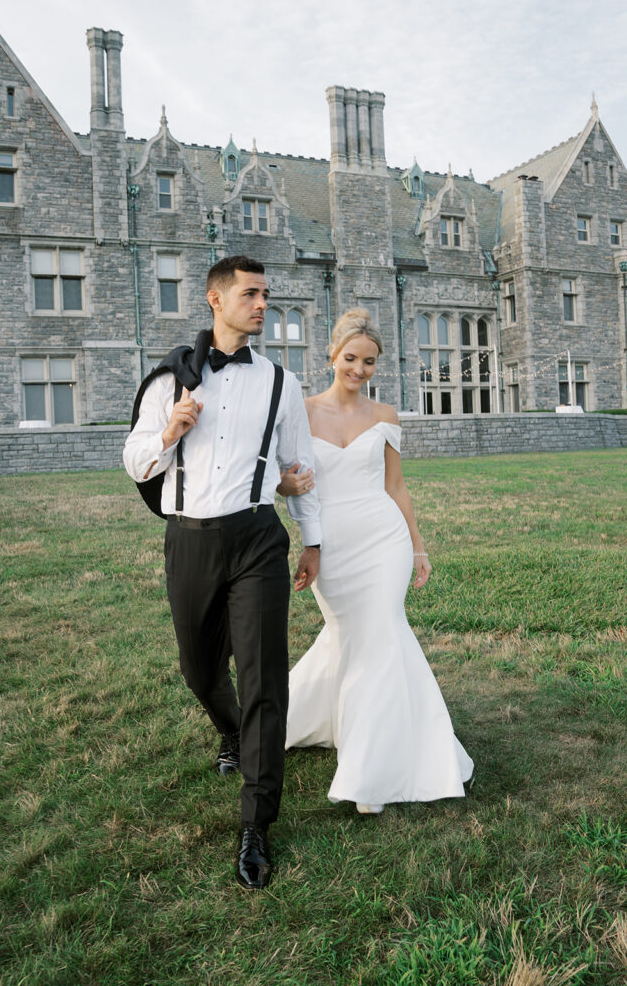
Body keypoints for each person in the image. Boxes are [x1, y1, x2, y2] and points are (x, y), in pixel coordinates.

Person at [123, 255, 321, 890]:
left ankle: (257, 824)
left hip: (259, 538)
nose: (263, 304)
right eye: (250, 294)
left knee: (264, 678)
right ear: (214, 299)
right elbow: (134, 463)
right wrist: (170, 431)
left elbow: (300, 468)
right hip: (191, 542)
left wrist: (311, 538)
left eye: (267, 294)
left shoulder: (281, 383)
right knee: (199, 670)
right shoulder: (170, 381)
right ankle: (231, 731)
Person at [281, 308, 473, 814]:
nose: (359, 370)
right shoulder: (299, 412)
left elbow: (396, 486)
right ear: (332, 355)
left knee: (384, 635)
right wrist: (308, 543)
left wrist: (416, 545)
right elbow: (292, 484)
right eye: (351, 359)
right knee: (349, 637)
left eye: (369, 362)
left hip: (382, 537)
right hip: (332, 544)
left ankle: (370, 773)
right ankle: (302, 716)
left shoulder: (385, 416)